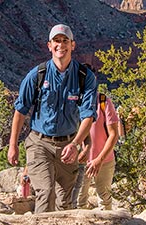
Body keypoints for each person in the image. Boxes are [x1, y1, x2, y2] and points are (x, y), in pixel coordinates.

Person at [7, 24, 98, 213]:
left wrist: (76, 144)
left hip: (68, 145)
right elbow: (20, 110)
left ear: (73, 45)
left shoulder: (85, 77)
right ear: (49, 45)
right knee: (46, 193)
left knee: (65, 202)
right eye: (57, 41)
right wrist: (13, 145)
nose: (61, 45)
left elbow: (88, 115)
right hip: (40, 143)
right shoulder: (37, 75)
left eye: (65, 41)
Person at [77, 91, 119, 210]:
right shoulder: (73, 100)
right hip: (80, 161)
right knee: (78, 201)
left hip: (104, 160)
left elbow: (114, 134)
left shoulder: (103, 101)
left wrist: (99, 159)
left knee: (104, 200)